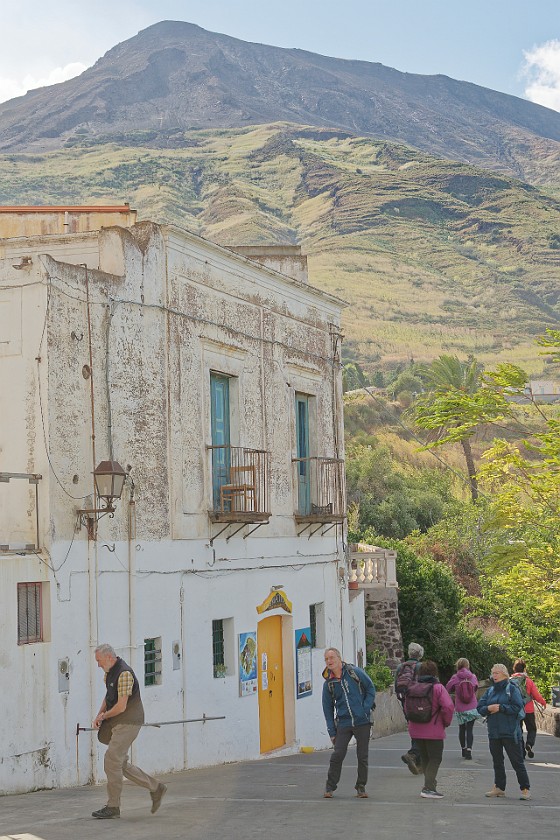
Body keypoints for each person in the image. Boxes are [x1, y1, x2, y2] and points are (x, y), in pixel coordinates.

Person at [91, 644, 167, 819]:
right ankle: (156, 788)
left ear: (109, 657)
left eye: (99, 661)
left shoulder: (124, 674)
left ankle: (113, 807)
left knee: (111, 760)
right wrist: (99, 714)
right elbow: (109, 696)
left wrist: (104, 717)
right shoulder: (109, 673)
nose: (98, 665)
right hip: (119, 722)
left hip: (129, 721)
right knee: (120, 764)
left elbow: (121, 706)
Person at [322, 647, 376, 799]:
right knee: (337, 754)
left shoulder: (354, 673)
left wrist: (364, 709)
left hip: (362, 721)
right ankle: (330, 786)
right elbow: (327, 709)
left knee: (362, 756)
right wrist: (332, 732)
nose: (329, 661)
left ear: (339, 658)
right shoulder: (329, 684)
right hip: (344, 723)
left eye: (331, 657)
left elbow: (371, 688)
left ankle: (361, 787)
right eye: (326, 659)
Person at [477, 663, 531, 800]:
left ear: (505, 674)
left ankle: (525, 789)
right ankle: (499, 788)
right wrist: (489, 708)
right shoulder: (490, 690)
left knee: (516, 761)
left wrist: (501, 708)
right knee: (497, 761)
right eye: (493, 673)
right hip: (494, 732)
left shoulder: (511, 689)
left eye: (497, 673)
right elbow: (480, 707)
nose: (494, 675)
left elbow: (517, 706)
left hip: (510, 731)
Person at [406, 660, 454, 799]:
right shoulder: (438, 688)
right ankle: (428, 788)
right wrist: (446, 722)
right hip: (433, 729)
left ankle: (429, 786)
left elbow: (406, 707)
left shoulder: (412, 687)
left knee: (426, 758)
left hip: (415, 729)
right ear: (435, 672)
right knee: (435, 758)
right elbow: (448, 707)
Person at [395, 641, 424, 774]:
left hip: (405, 702)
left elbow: (396, 684)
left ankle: (418, 763)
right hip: (419, 703)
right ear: (420, 654)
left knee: (414, 729)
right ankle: (412, 755)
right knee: (422, 731)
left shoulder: (401, 667)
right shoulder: (421, 666)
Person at [511, 658, 546, 759]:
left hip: (516, 710)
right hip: (528, 710)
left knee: (519, 731)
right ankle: (529, 743)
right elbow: (536, 695)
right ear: (524, 669)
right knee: (532, 729)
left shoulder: (510, 681)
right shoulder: (528, 681)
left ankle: (521, 752)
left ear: (514, 669)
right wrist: (543, 702)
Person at [445, 657, 480, 759]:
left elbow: (448, 688)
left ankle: (463, 749)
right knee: (470, 729)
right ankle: (469, 749)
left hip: (460, 707)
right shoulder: (473, 676)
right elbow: (476, 687)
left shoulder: (455, 677)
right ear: (468, 665)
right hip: (472, 706)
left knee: (461, 729)